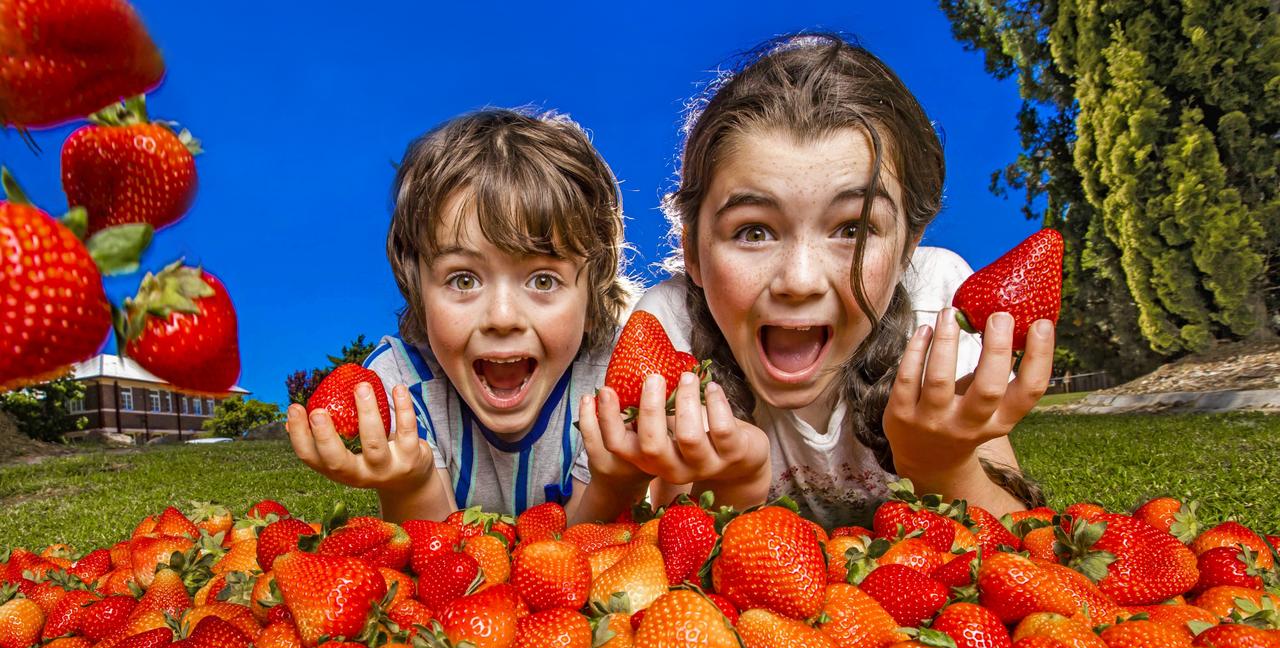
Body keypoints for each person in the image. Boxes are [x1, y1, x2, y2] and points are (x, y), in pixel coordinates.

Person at [579, 34, 1054, 527]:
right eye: (754, 231)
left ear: (907, 248)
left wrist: (944, 465)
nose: (799, 281)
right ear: (693, 254)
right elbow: (659, 557)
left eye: (853, 228)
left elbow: (1020, 541)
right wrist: (728, 488)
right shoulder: (665, 332)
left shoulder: (938, 306)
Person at [287, 109, 643, 524]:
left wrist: (618, 483)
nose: (502, 317)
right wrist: (411, 483)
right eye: (463, 280)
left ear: (592, 293)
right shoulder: (401, 388)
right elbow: (433, 556)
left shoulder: (611, 382)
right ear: (416, 286)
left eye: (543, 281)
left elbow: (592, 554)